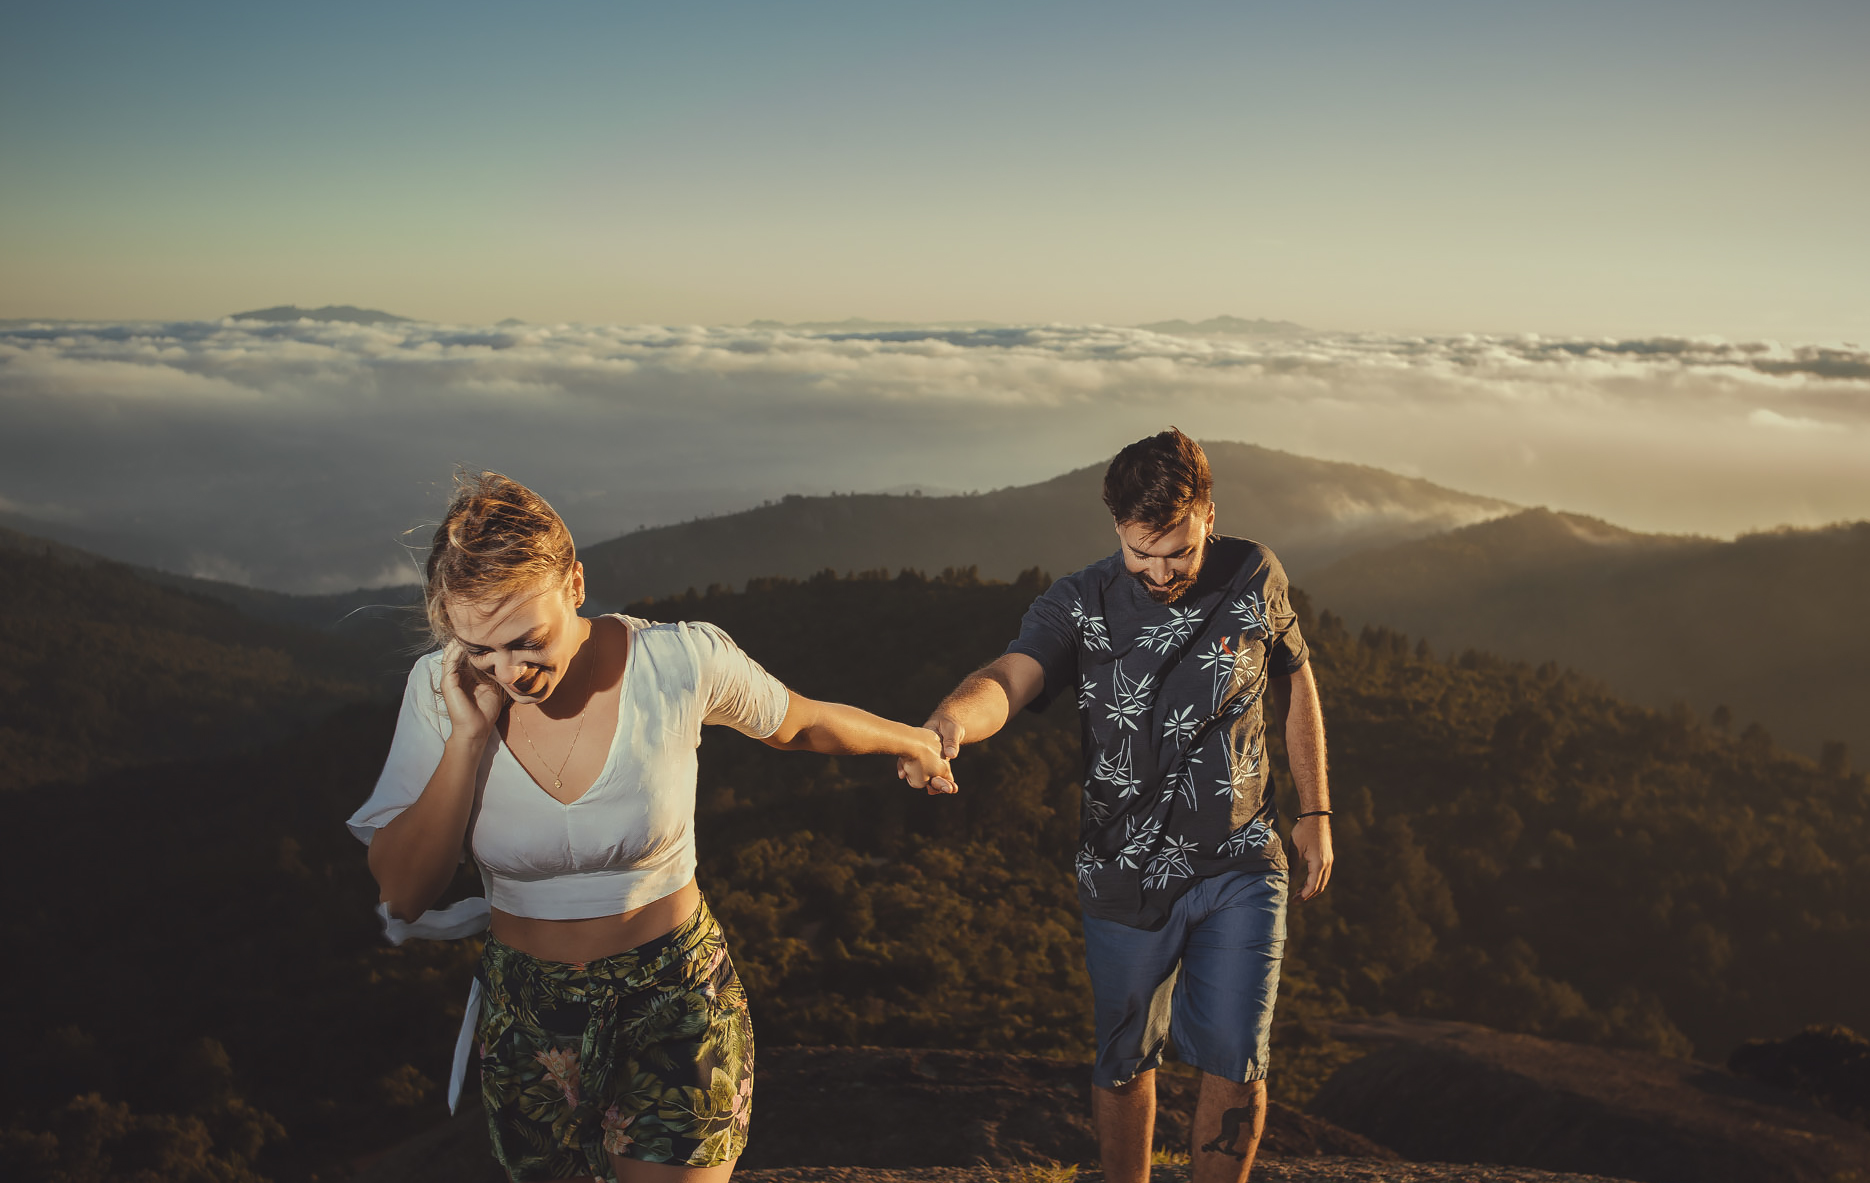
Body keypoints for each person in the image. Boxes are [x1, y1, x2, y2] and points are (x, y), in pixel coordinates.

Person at [347, 472, 955, 1183]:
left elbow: (798, 721)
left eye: (525, 640)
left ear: (575, 584)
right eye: (478, 647)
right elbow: (402, 892)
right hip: (529, 1015)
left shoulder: (676, 660)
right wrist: (465, 738)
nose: (507, 671)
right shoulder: (438, 689)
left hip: (677, 993)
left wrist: (910, 741)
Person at [923, 429, 1331, 1183]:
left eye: (1176, 551)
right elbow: (1009, 677)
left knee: (1238, 1058)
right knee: (1122, 1059)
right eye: (1140, 553)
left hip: (1241, 858)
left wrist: (1315, 813)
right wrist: (951, 721)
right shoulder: (1079, 601)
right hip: (1122, 869)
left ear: (1208, 512)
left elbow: (1293, 677)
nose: (1159, 571)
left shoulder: (1253, 572)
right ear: (1117, 528)